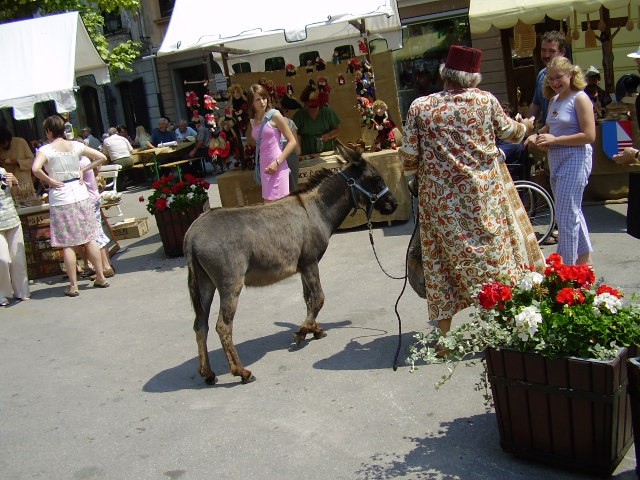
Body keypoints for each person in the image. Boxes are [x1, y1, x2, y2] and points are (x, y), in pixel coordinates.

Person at [399, 45, 544, 337]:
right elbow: (512, 134)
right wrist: (526, 124)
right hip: (483, 197)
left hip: (440, 202)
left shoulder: (420, 106)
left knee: (441, 266)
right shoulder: (485, 101)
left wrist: (417, 180)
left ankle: (444, 338)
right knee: (495, 258)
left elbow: (409, 157)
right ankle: (507, 327)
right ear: (473, 77)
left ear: (445, 74)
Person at [31, 115, 111, 297]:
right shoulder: (76, 145)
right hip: (80, 191)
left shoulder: (46, 149)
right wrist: (83, 169)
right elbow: (101, 157)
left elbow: (35, 169)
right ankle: (100, 276)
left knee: (67, 243)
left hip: (61, 195)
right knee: (90, 236)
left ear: (49, 131)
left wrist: (50, 180)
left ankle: (74, 285)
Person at [526, 56, 596, 266]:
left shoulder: (580, 98)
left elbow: (589, 135)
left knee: (566, 217)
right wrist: (537, 134)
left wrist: (555, 139)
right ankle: (585, 262)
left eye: (559, 77)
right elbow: (551, 127)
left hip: (575, 157)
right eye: (551, 79)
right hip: (556, 158)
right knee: (571, 211)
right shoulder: (555, 99)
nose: (555, 83)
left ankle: (564, 266)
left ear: (571, 75)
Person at [246, 84, 297, 202]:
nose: (262, 102)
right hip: (265, 168)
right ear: (251, 102)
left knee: (278, 208)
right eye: (258, 99)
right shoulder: (253, 120)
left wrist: (277, 162)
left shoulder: (275, 115)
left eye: (264, 98)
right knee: (269, 208)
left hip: (278, 165)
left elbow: (292, 141)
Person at [77, 156, 115, 279]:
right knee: (98, 232)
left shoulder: (80, 162)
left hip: (88, 200)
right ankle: (107, 264)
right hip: (93, 198)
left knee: (95, 234)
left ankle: (105, 267)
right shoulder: (86, 160)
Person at [0, 165, 30, 306]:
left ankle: (22, 291)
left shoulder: (2, 171)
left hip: (12, 219)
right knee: (3, 260)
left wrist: (15, 181)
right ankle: (3, 293)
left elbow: (16, 193)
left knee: (18, 258)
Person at [292, 82, 341, 156]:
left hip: (327, 153)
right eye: (310, 107)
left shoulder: (327, 111)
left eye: (316, 106)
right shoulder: (300, 115)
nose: (314, 109)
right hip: (308, 155)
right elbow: (295, 134)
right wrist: (299, 154)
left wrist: (329, 135)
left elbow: (337, 130)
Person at [529, 31, 566, 127]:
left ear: (562, 52)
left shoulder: (569, 76)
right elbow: (536, 105)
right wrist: (527, 125)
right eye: (543, 50)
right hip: (549, 135)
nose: (546, 55)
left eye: (552, 51)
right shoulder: (542, 74)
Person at [0, 126, 36, 199]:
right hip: (8, 189)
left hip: (25, 186)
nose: (3, 146)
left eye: (4, 143)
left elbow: (32, 162)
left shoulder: (20, 142)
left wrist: (16, 162)